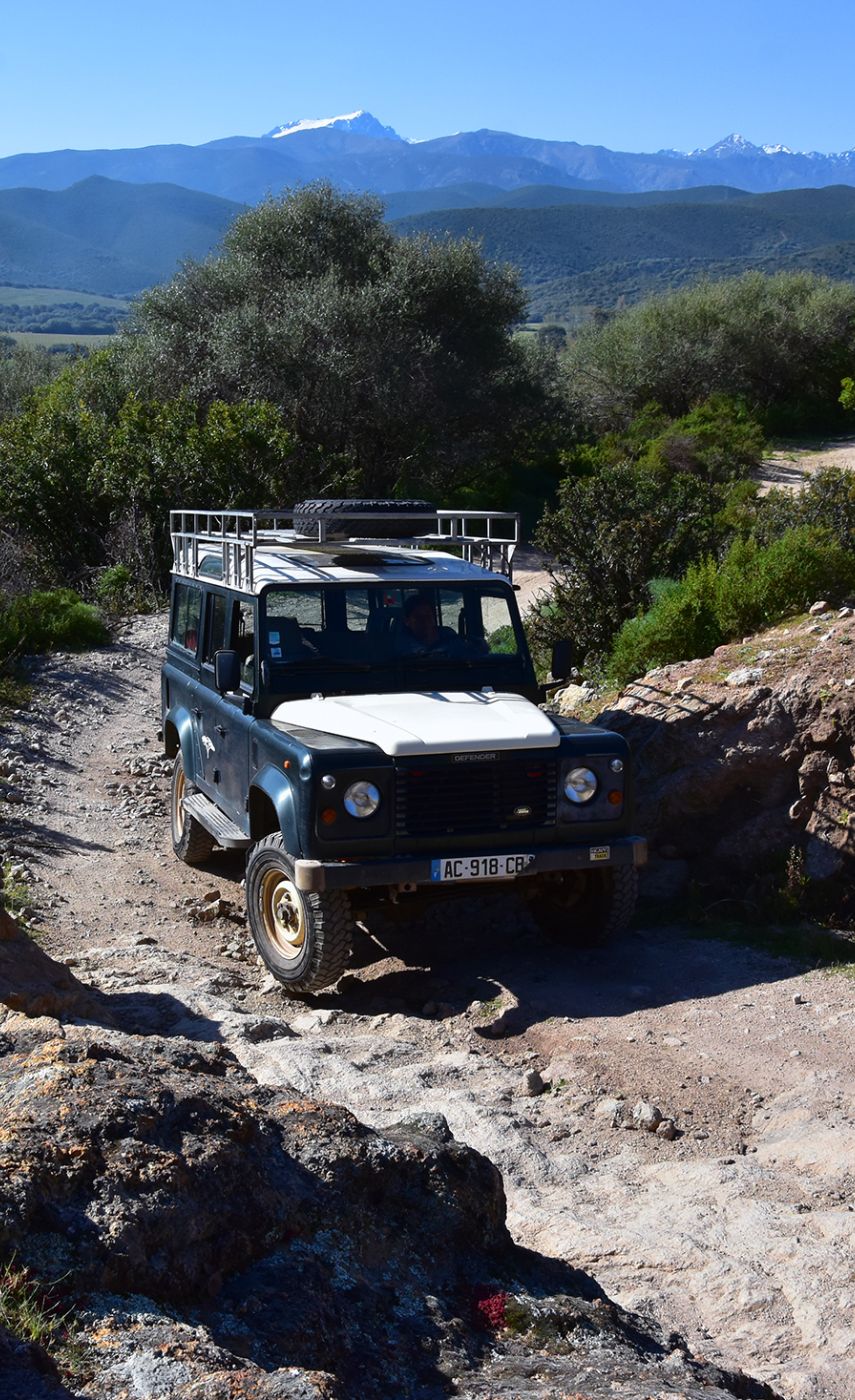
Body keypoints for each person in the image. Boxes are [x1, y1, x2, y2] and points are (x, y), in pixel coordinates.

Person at [394, 592, 474, 658]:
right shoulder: (401, 644)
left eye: (428, 615)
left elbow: (467, 657)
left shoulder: (448, 635)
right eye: (418, 617)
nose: (425, 621)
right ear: (407, 621)